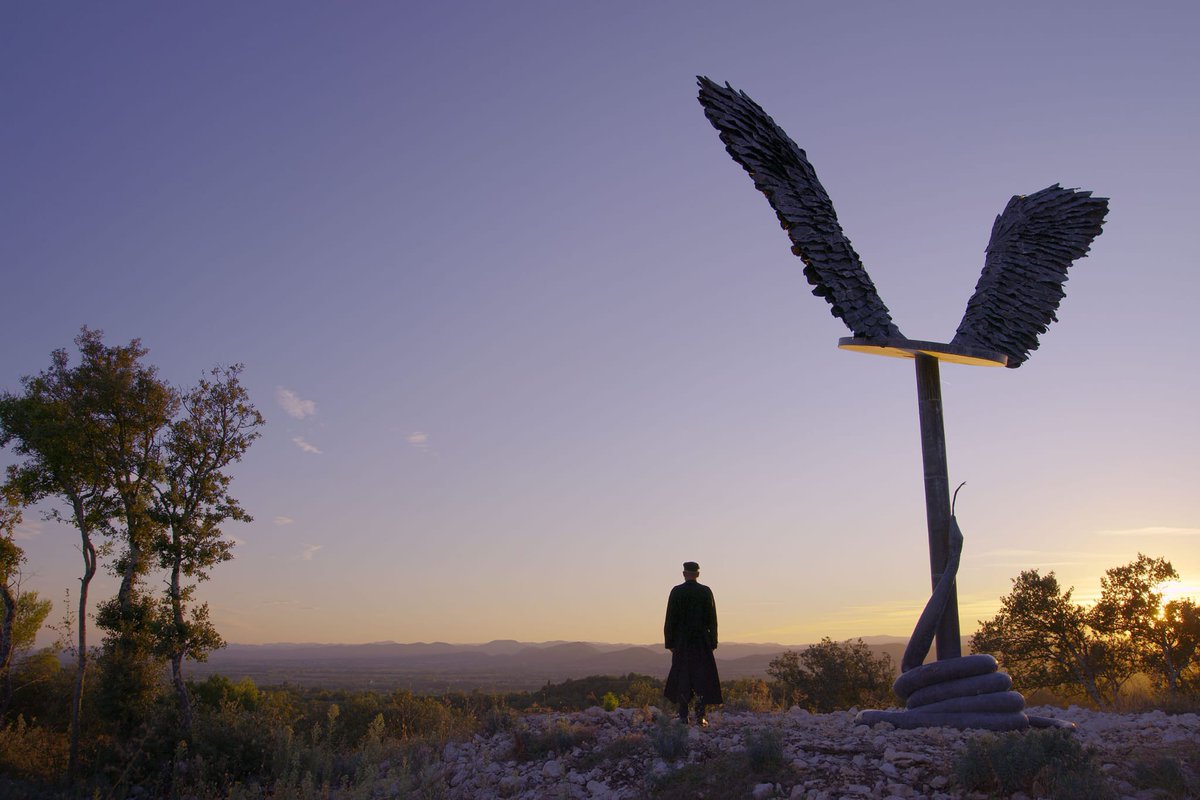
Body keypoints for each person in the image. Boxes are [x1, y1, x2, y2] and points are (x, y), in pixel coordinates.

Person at [663, 561, 723, 725]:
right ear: (697, 574)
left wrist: (670, 643)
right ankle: (700, 716)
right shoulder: (705, 591)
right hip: (701, 641)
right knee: (701, 677)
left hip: (682, 642)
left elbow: (670, 619)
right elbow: (712, 618)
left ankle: (683, 715)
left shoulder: (676, 592)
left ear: (684, 574)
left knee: (683, 677)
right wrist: (713, 641)